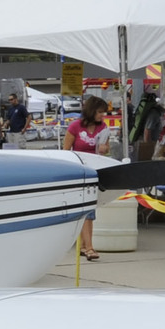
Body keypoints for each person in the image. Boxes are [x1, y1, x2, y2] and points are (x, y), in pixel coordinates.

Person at [65, 96, 111, 259]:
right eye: (100, 112)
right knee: (87, 210)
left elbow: (105, 149)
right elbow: (66, 150)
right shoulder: (75, 126)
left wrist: (105, 149)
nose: (102, 116)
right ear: (92, 111)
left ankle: (84, 245)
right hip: (79, 171)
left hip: (95, 171)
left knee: (88, 209)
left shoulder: (103, 128)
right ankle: (89, 247)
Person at [130, 89, 164, 161]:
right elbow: (147, 130)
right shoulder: (154, 113)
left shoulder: (152, 111)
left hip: (143, 142)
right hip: (148, 144)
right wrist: (149, 147)